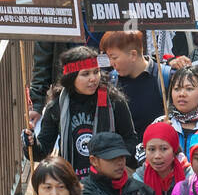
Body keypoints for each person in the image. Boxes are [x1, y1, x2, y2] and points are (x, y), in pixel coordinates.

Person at [25, 45, 137, 177]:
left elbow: (130, 140)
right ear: (71, 77)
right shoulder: (57, 106)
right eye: (85, 74)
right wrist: (31, 143)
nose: (93, 78)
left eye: (96, 72)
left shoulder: (114, 101)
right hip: (70, 183)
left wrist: (114, 159)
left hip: (107, 182)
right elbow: (42, 152)